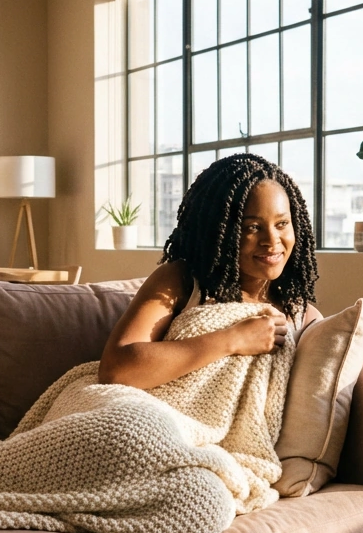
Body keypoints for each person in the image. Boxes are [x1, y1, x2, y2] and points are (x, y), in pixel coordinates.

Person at [99, 153, 322, 389]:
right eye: (252, 227)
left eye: (282, 224)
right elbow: (116, 369)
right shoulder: (181, 281)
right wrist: (234, 339)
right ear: (219, 232)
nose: (271, 240)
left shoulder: (301, 315)